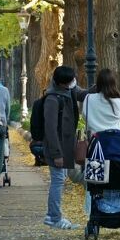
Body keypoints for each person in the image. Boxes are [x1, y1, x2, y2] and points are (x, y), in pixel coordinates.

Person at [43, 65, 88, 230]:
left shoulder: (68, 91)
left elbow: (82, 94)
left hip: (65, 147)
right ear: (62, 83)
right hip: (58, 149)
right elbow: (50, 129)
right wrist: (56, 154)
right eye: (70, 81)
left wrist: (101, 86)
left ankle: (53, 215)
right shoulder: (52, 99)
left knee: (59, 180)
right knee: (57, 181)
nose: (73, 83)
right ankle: (53, 217)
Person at [83, 69, 120, 135]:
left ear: (98, 83)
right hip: (117, 139)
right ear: (113, 83)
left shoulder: (89, 98)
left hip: (97, 139)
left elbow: (85, 116)